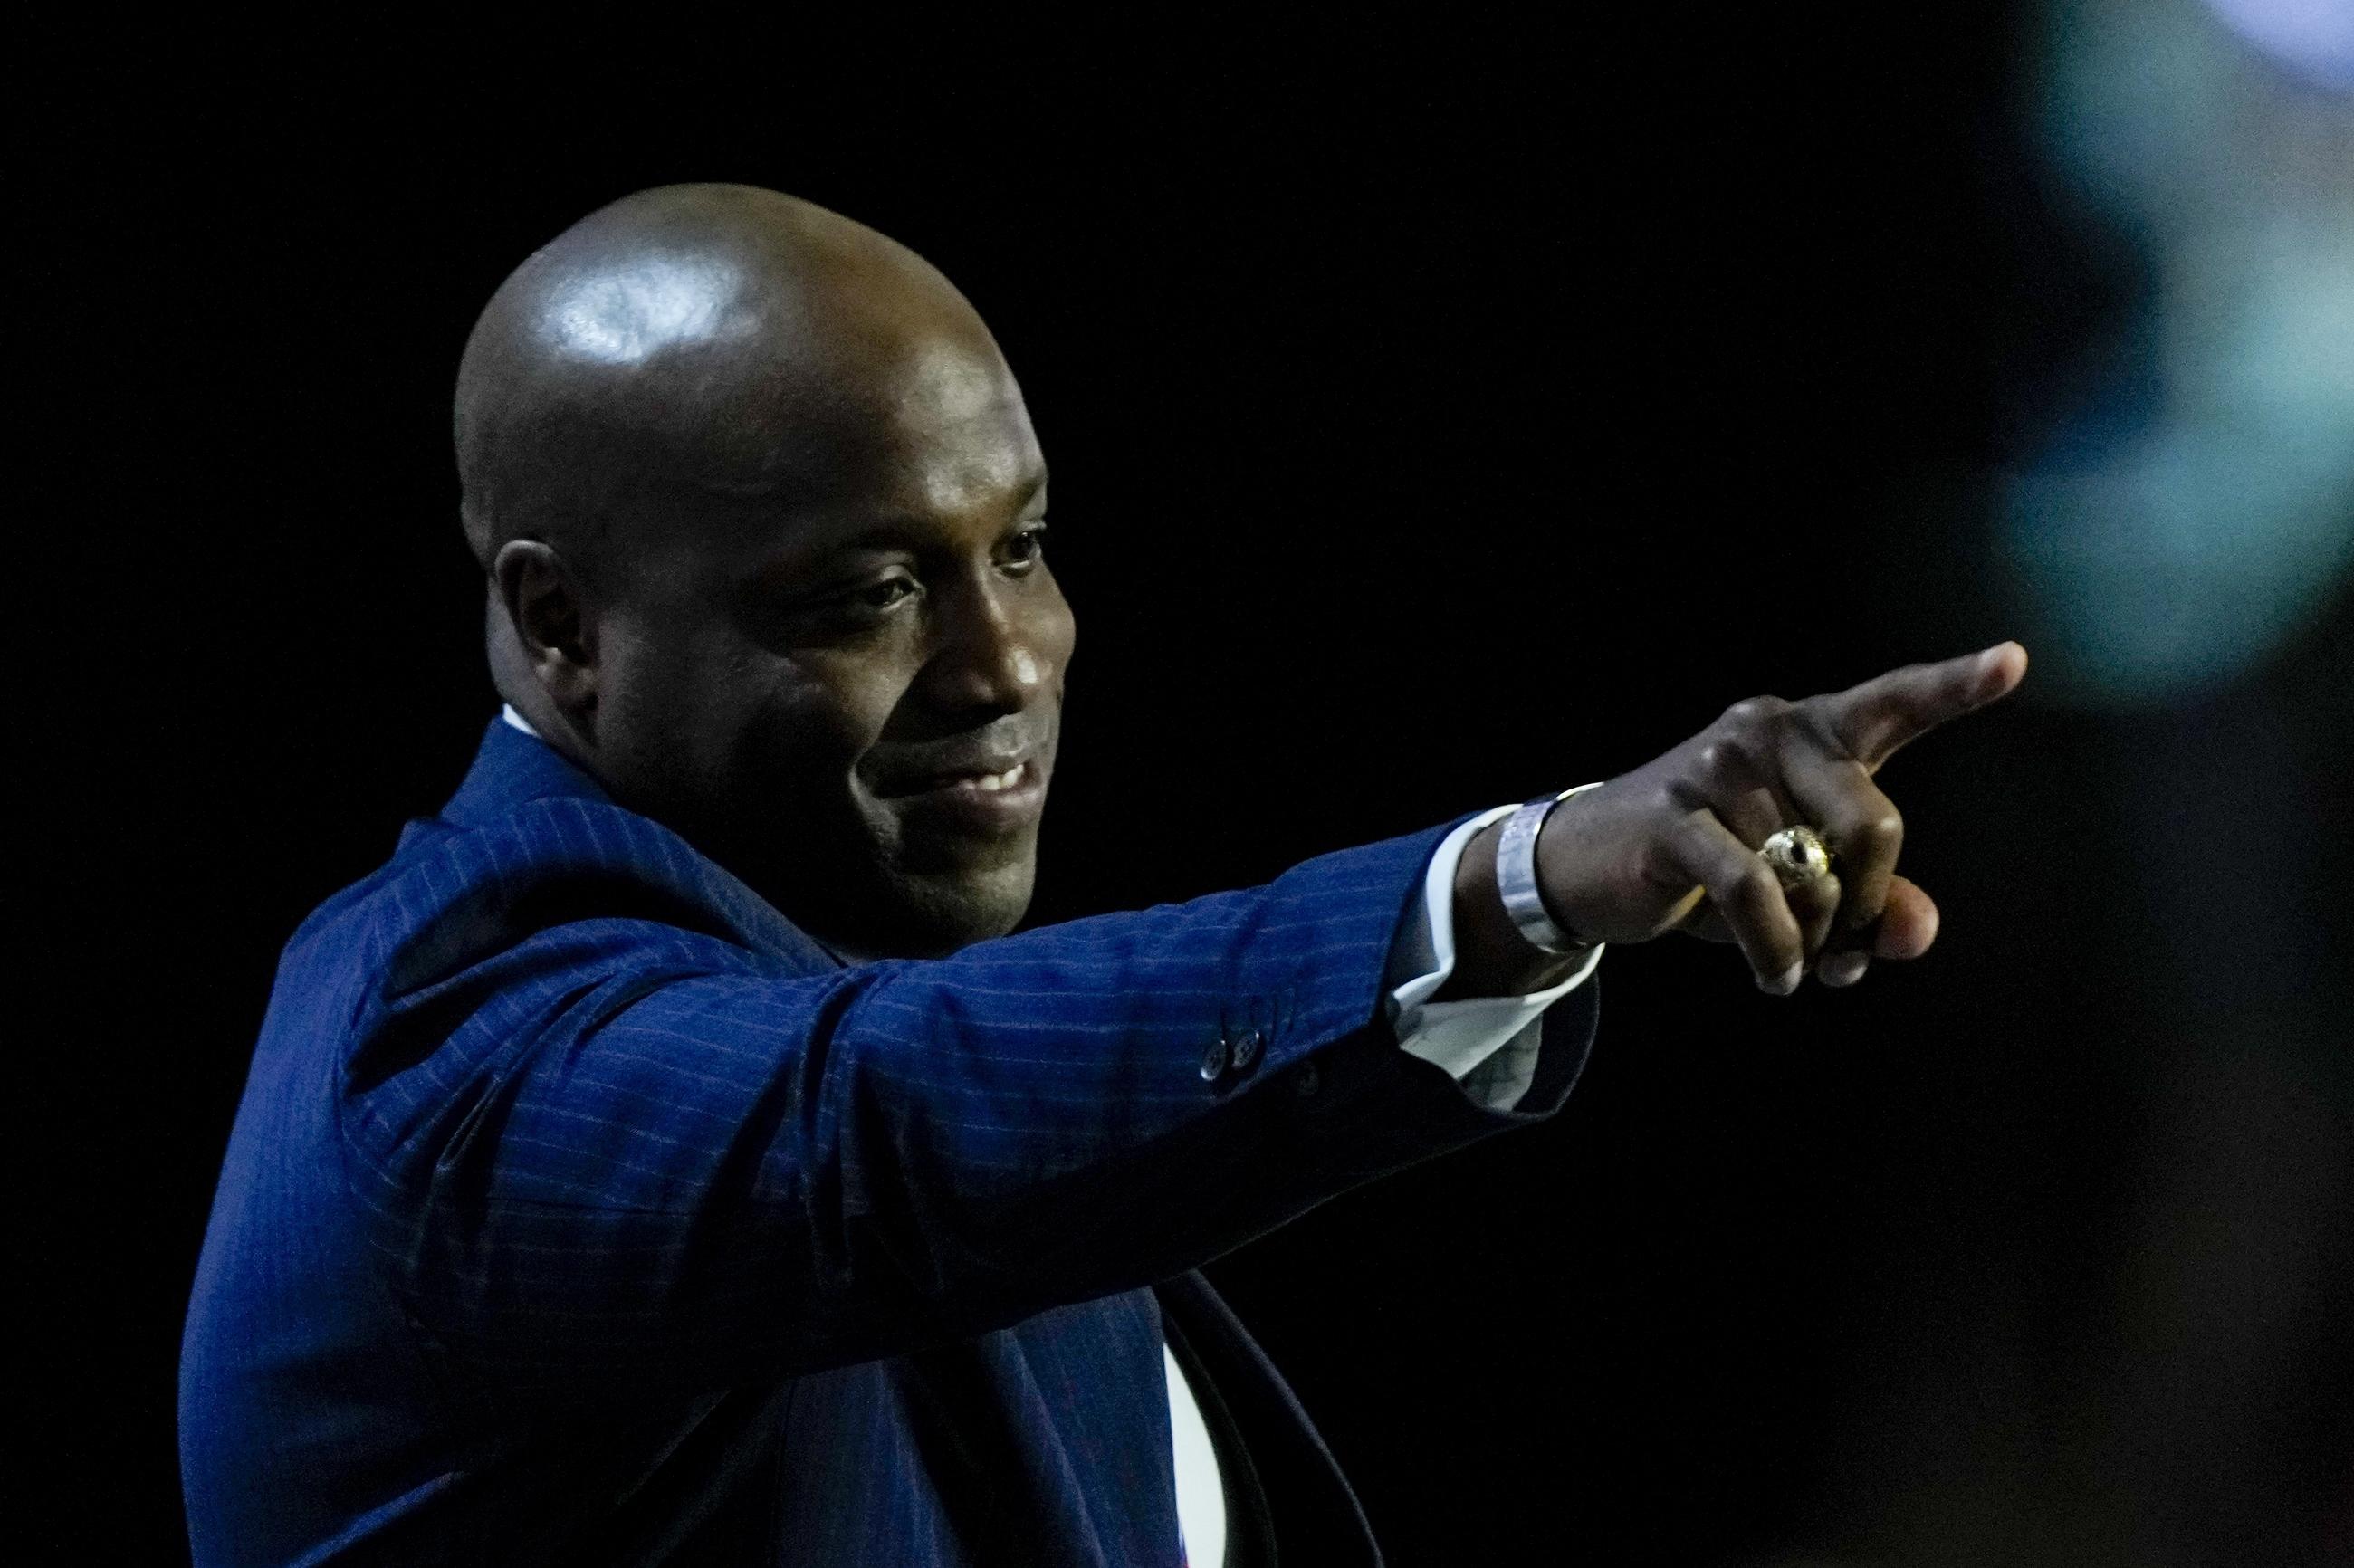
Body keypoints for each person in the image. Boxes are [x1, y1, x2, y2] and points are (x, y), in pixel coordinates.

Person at [177, 182, 2027, 1566]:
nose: (1009, 659)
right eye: (871, 591)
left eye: (1024, 546)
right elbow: (876, 1124)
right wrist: (1518, 882)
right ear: (561, 624)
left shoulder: (833, 971)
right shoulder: (447, 1047)